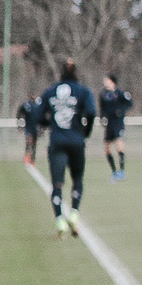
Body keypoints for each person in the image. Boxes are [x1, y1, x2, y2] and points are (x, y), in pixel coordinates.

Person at [36, 61, 97, 236]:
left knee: (57, 183)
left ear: (60, 74)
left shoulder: (50, 91)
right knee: (77, 179)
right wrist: (86, 131)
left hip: (57, 141)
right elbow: (91, 112)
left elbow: (37, 114)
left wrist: (49, 123)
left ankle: (60, 220)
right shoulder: (83, 91)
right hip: (77, 140)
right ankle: (74, 213)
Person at [99, 74, 132, 180]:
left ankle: (122, 170)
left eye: (107, 80)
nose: (105, 82)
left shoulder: (120, 93)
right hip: (109, 123)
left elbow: (129, 103)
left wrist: (121, 111)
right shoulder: (103, 95)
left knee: (119, 143)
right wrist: (102, 118)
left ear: (112, 81)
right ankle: (114, 172)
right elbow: (102, 108)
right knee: (107, 147)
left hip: (118, 122)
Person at [17, 94, 43, 166]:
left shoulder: (38, 104)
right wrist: (20, 121)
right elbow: (20, 113)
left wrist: (41, 128)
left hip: (36, 127)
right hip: (29, 127)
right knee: (29, 141)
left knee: (34, 143)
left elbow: (42, 115)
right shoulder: (27, 105)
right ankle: (26, 157)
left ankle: (32, 159)